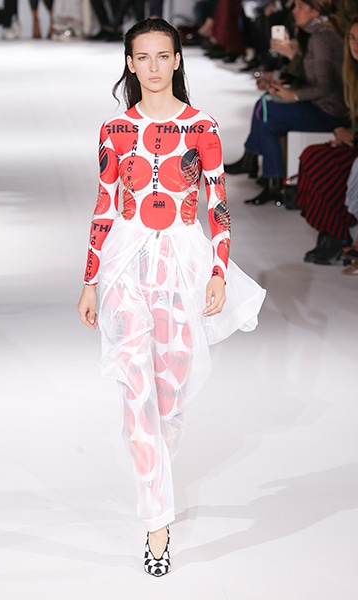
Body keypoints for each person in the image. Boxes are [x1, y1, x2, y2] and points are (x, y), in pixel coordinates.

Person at [77, 17, 265, 577]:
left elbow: (218, 207)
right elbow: (104, 206)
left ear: (178, 59)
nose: (154, 67)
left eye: (163, 56)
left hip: (182, 265)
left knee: (170, 402)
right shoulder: (115, 130)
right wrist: (90, 280)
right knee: (136, 393)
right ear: (130, 64)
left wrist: (218, 272)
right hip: (125, 267)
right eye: (143, 57)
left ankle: (155, 486)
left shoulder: (202, 127)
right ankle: (156, 523)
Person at [225, 0, 349, 205]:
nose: (294, 11)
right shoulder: (316, 32)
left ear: (315, 10)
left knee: (268, 113)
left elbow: (323, 87)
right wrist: (282, 81)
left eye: (300, 7)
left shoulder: (321, 37)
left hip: (329, 111)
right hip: (323, 105)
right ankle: (261, 170)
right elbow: (312, 77)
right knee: (265, 104)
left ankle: (271, 180)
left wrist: (294, 95)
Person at [296, 16, 358, 265]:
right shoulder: (352, 73)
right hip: (352, 140)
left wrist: (352, 136)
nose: (355, 45)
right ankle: (332, 231)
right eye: (351, 38)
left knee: (325, 166)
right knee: (311, 156)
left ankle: (337, 234)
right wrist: (346, 133)